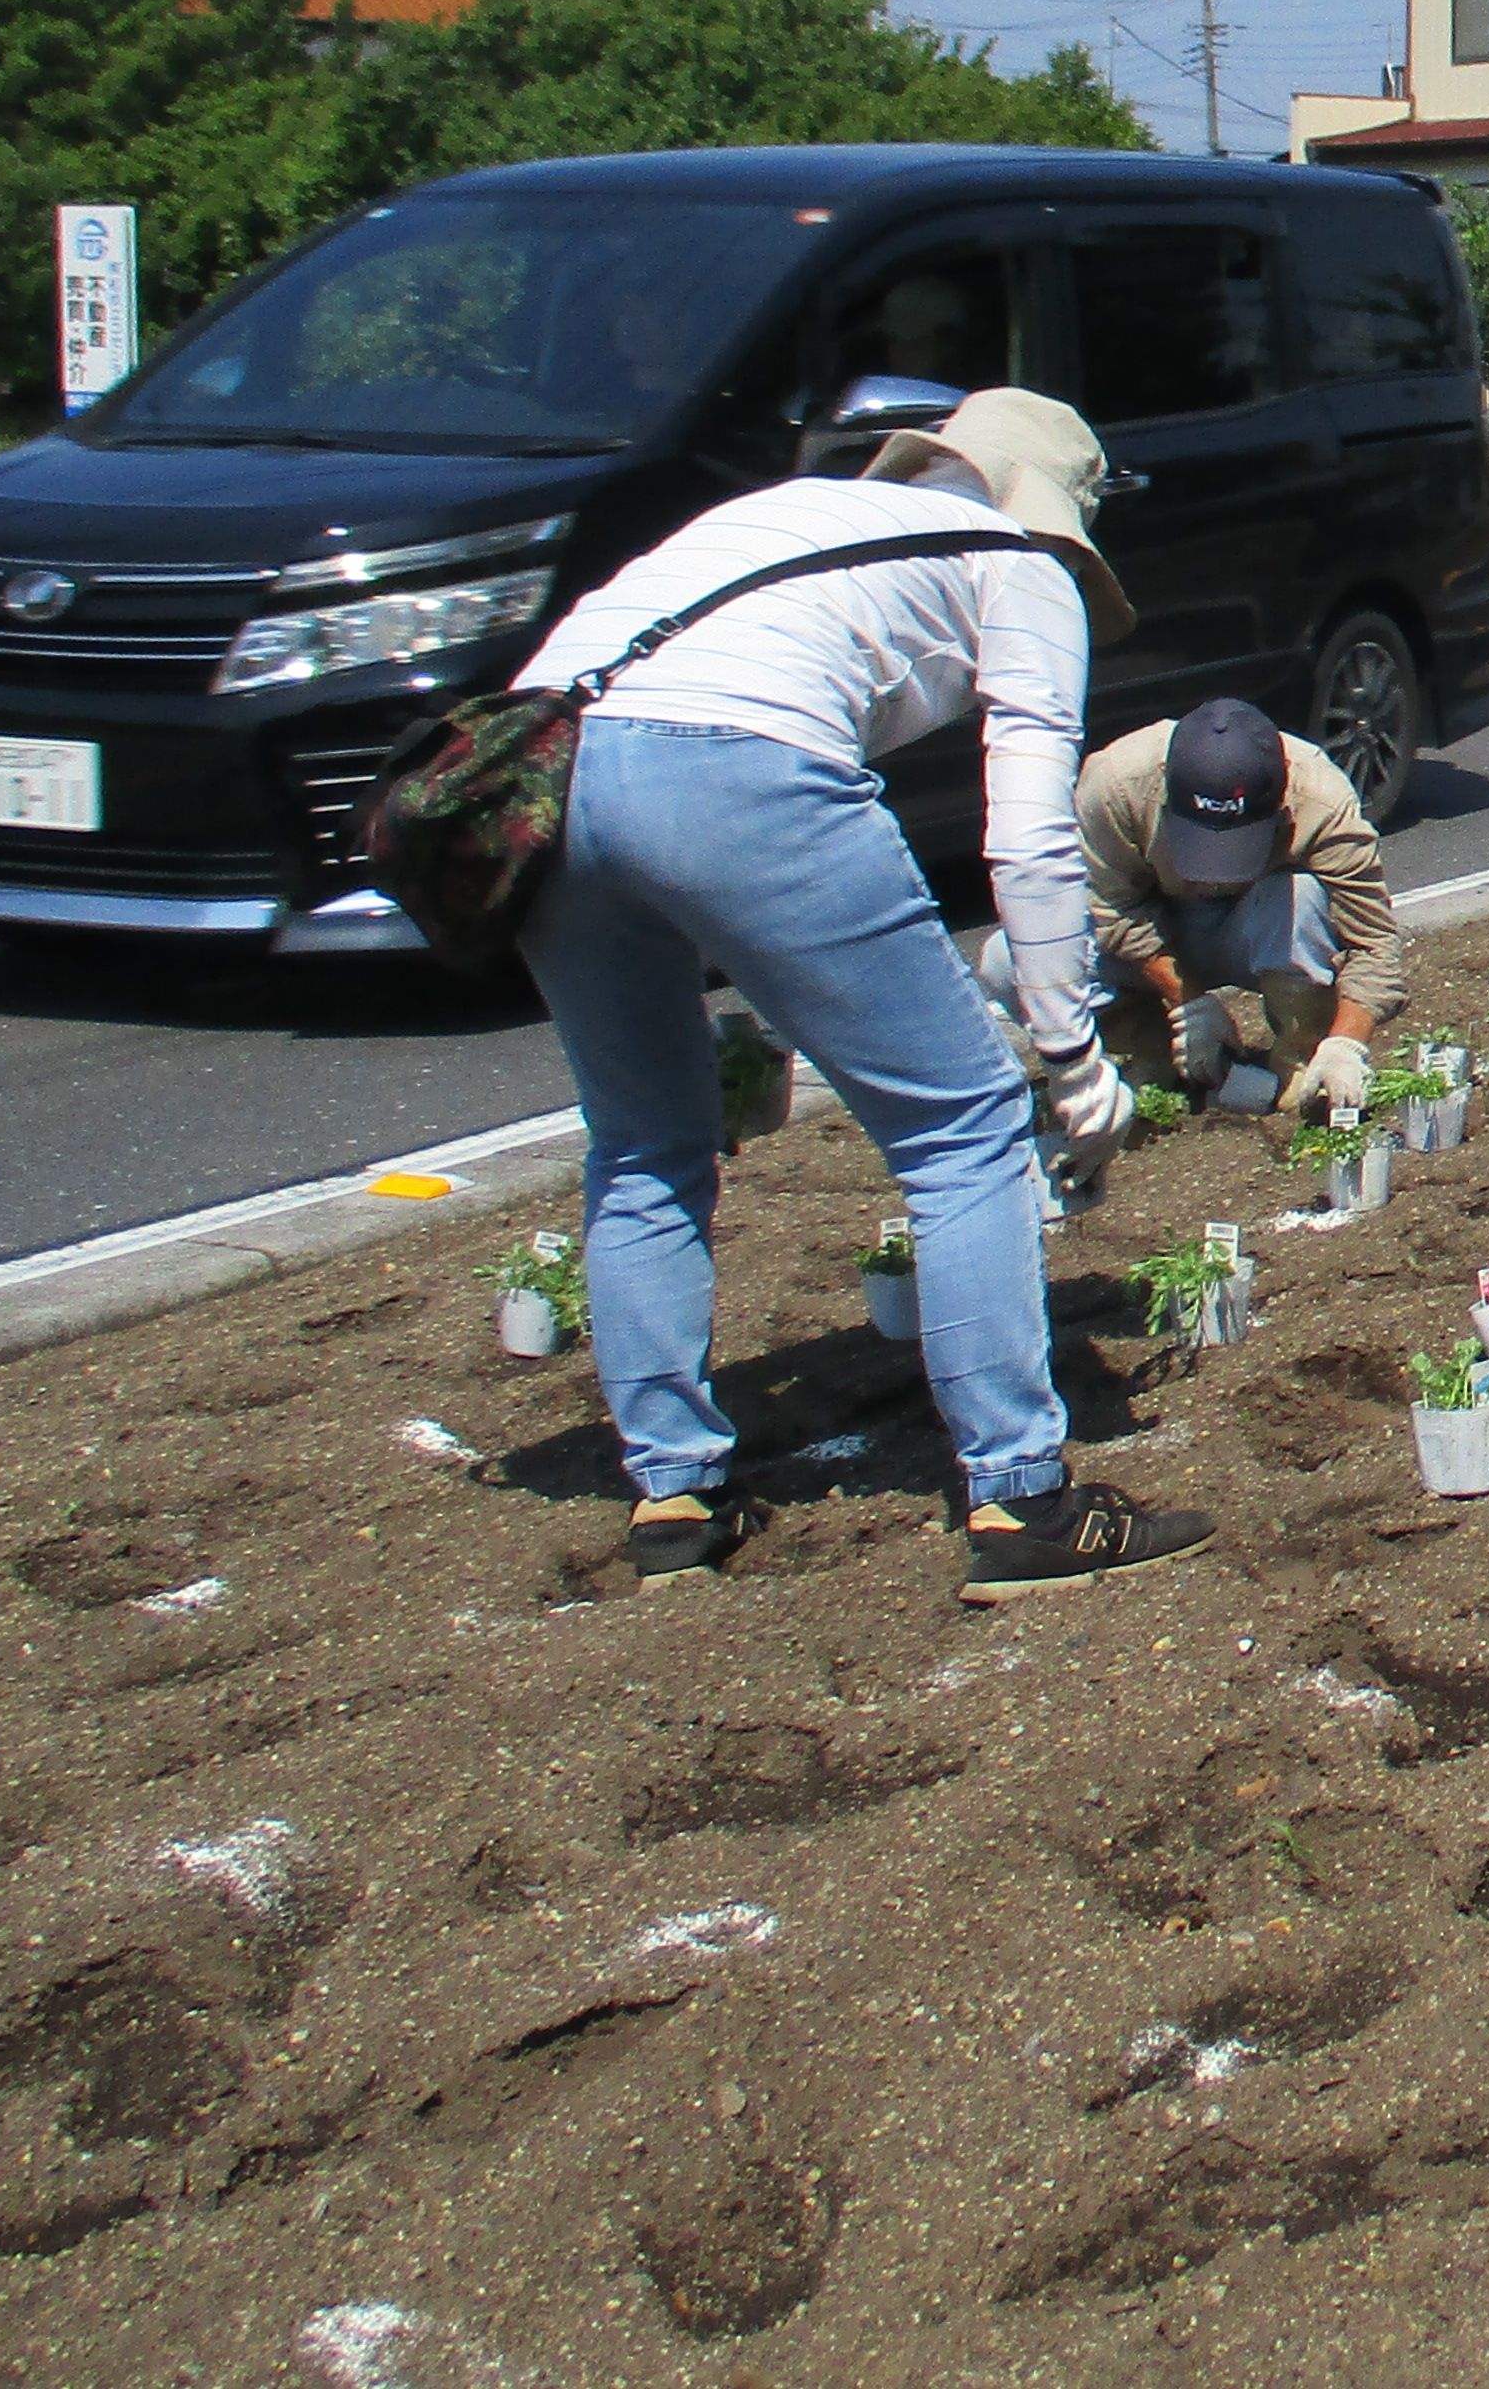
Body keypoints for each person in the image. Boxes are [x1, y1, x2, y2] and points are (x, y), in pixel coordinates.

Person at [511, 389, 1211, 1606]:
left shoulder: (792, 509)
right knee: (967, 1130)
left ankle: (674, 1496)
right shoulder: (1021, 566)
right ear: (1055, 505)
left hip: (544, 776)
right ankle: (1022, 1498)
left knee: (643, 1144)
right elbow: (1034, 842)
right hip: (741, 768)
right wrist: (1071, 1057)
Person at [1072, 697, 1405, 1116]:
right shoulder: (1115, 785)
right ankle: (1157, 1051)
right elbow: (1113, 910)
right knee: (1014, 958)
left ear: (1280, 804)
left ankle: (1301, 1060)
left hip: (1256, 932)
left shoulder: (1321, 800)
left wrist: (1346, 1044)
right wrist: (1187, 1000)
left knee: (1299, 896)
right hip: (1166, 933)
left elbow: (1375, 942)